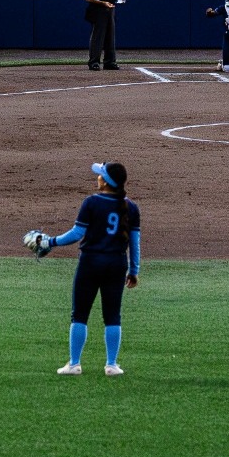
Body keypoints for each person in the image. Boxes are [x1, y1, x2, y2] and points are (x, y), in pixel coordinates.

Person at [26, 162, 140, 377]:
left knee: (79, 314)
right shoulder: (131, 207)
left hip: (90, 263)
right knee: (112, 315)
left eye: (100, 175)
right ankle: (112, 365)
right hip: (117, 265)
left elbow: (77, 233)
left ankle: (74, 364)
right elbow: (135, 242)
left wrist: (51, 242)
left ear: (105, 181)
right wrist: (134, 270)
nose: (97, 178)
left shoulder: (91, 203)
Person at [84, 0, 122, 70]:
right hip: (98, 9)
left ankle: (110, 62)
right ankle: (94, 62)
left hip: (110, 8)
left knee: (110, 36)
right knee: (98, 36)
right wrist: (103, 3)